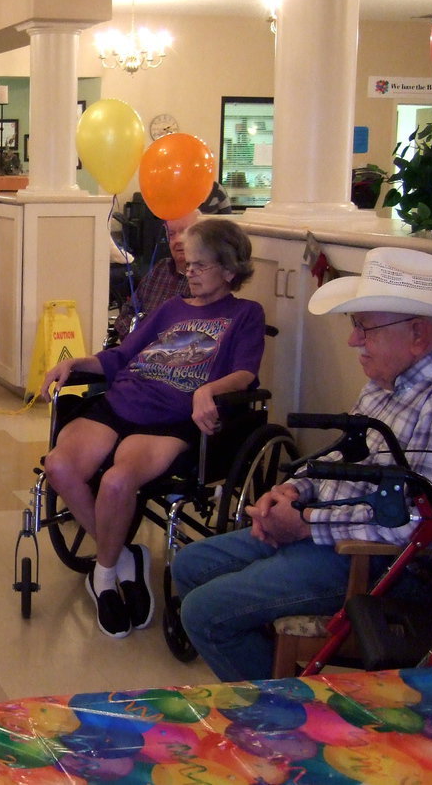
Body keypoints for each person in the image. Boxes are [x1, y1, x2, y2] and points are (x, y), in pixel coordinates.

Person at [173, 246, 432, 682]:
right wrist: (294, 490)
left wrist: (305, 523)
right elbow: (345, 452)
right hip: (332, 530)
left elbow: (412, 523)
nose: (354, 340)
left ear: (417, 333)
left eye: (364, 328)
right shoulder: (392, 379)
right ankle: (269, 670)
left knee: (204, 614)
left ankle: (288, 718)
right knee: (189, 567)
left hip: (384, 564)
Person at [41, 218, 265, 639]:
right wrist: (74, 363)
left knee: (116, 483)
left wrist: (207, 391)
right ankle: (125, 557)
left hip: (169, 419)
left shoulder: (245, 315)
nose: (190, 272)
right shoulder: (171, 308)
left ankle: (103, 576)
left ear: (230, 270)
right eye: (189, 265)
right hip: (120, 400)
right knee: (59, 467)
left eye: (201, 265)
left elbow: (246, 375)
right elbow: (123, 354)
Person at [113, 209, 199, 341]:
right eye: (172, 234)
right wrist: (139, 339)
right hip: (139, 352)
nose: (178, 240)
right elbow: (126, 314)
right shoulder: (160, 270)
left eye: (186, 232)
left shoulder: (205, 279)